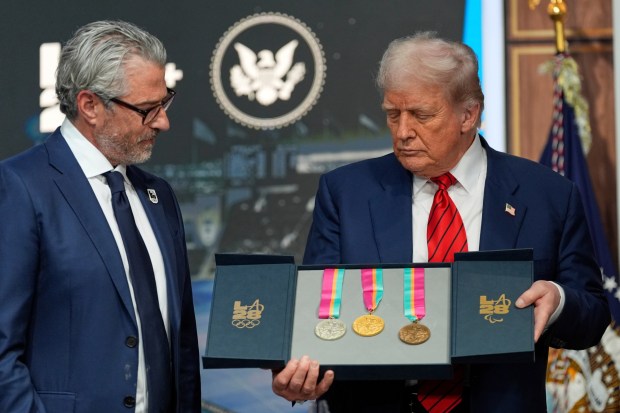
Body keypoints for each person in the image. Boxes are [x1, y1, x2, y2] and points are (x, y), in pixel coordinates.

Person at [271, 32, 610, 412]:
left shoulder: (547, 195)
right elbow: (316, 313)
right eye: (392, 113)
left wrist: (558, 300)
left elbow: (594, 315)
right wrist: (297, 372)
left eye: (421, 115)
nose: (402, 131)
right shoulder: (346, 192)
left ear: (469, 114)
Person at [0, 21, 200, 412]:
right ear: (90, 105)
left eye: (165, 102)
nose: (163, 121)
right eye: (147, 109)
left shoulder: (158, 196)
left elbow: (183, 346)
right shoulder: (19, 188)